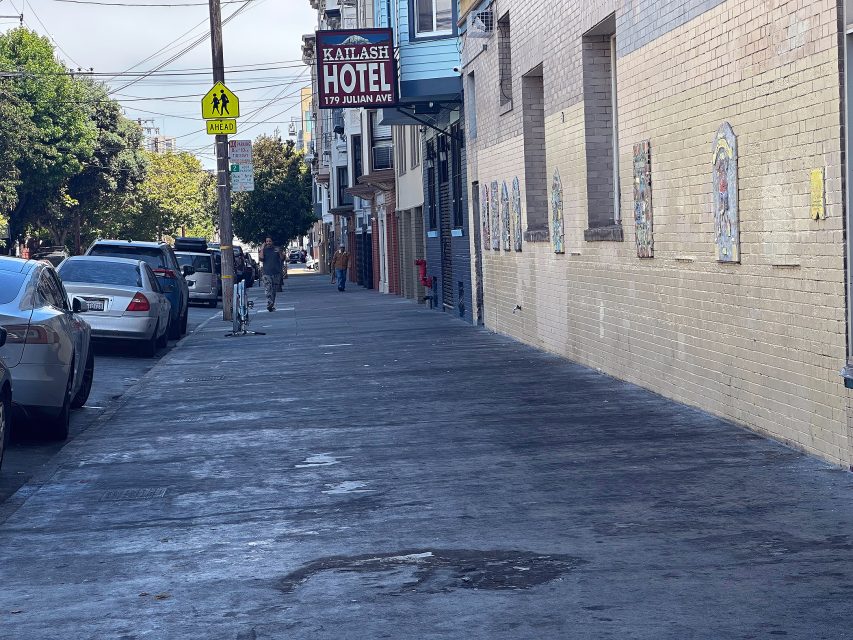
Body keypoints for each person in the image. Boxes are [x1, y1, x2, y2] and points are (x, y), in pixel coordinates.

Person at [259, 236, 283, 311]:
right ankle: (269, 303)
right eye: (267, 241)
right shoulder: (264, 250)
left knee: (273, 290)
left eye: (270, 241)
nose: (268, 243)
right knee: (268, 289)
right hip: (267, 273)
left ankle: (271, 304)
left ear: (272, 242)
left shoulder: (276, 249)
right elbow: (261, 259)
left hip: (276, 273)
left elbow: (282, 258)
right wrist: (262, 249)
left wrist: (279, 252)